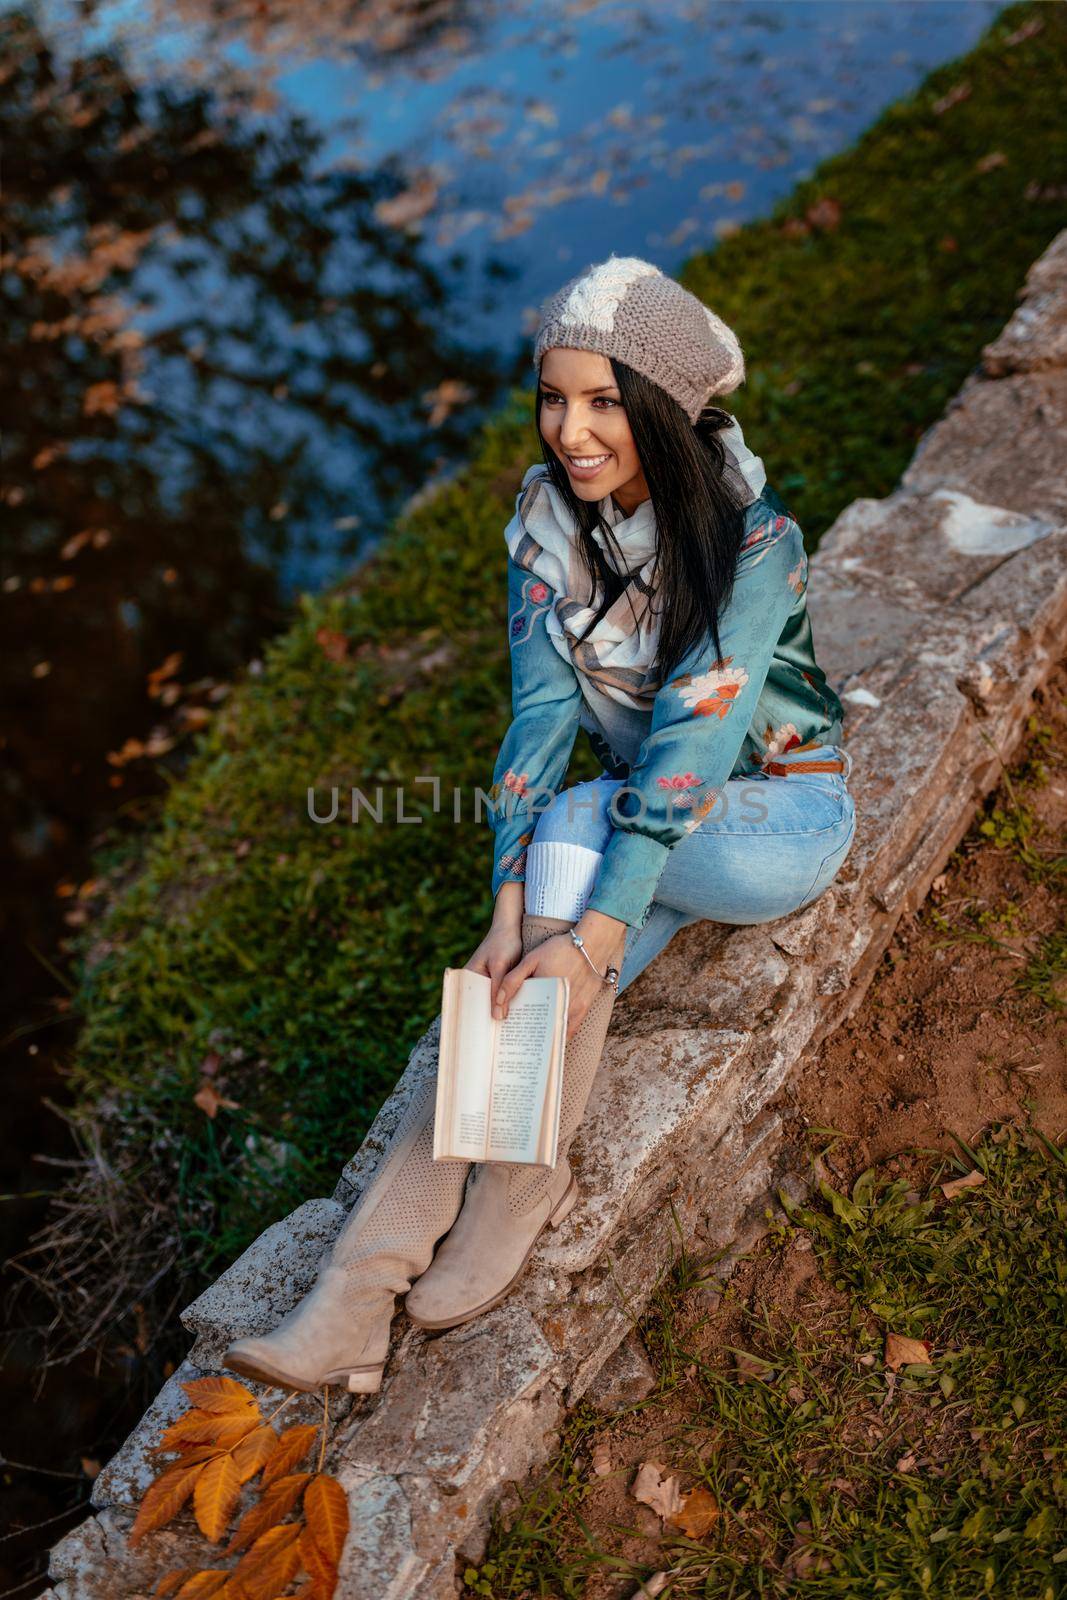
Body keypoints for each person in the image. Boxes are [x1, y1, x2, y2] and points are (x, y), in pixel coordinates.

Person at [224, 254, 856, 1395]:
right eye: (553, 397)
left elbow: (689, 751)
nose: (571, 430)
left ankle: (483, 1203)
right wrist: (512, 913)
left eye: (605, 400)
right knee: (517, 964)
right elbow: (535, 719)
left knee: (575, 857)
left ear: (662, 409)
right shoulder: (542, 519)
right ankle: (361, 1290)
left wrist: (596, 927)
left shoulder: (752, 543)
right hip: (624, 823)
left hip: (775, 817)